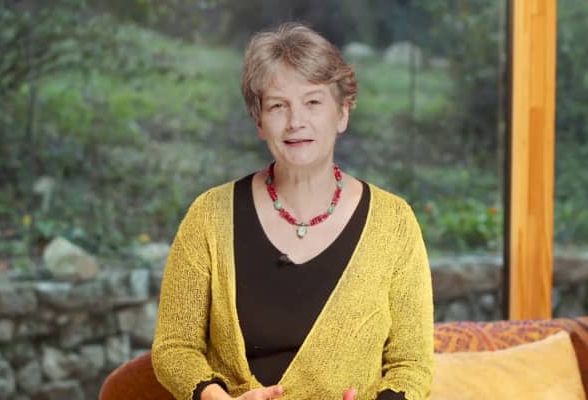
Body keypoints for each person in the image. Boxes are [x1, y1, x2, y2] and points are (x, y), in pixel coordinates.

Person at [151, 22, 434, 400]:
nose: (295, 121)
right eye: (277, 106)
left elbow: (412, 364)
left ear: (342, 114)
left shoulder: (394, 223)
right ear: (259, 122)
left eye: (313, 102)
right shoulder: (208, 216)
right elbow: (174, 347)